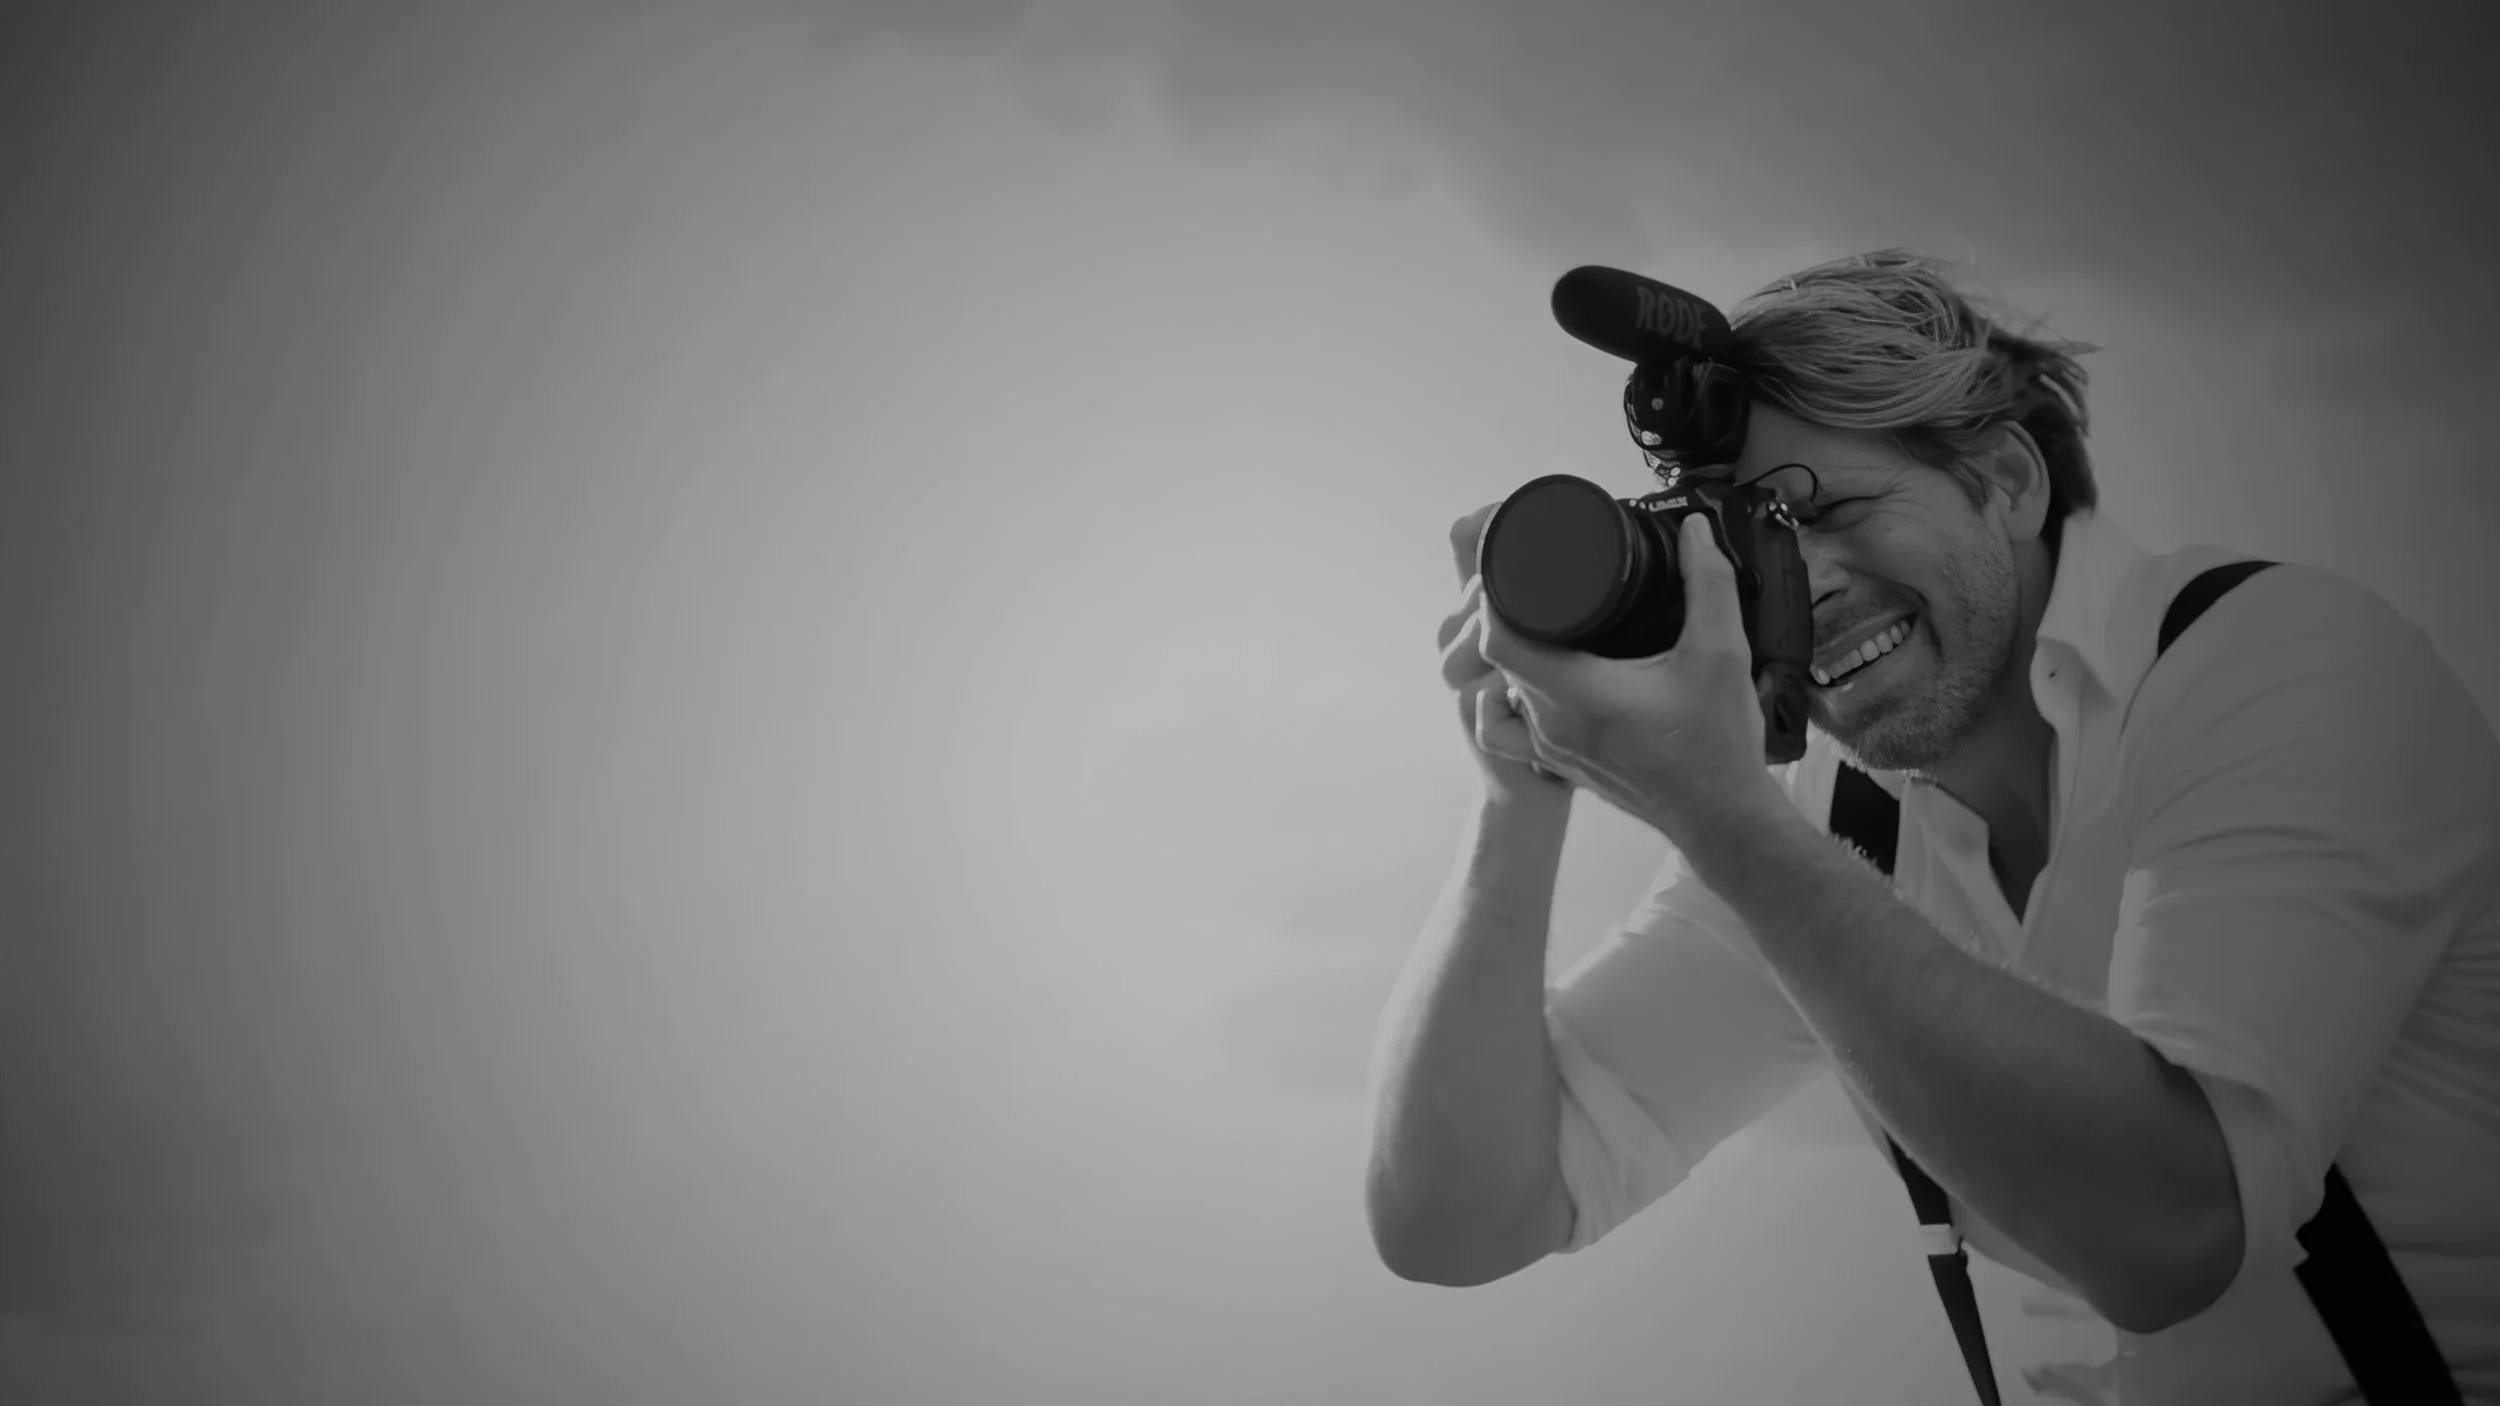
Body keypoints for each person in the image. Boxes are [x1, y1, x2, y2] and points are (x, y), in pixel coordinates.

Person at [1363, 250, 2500, 1404]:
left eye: (1830, 510)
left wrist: (1718, 814)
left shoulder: (2285, 663)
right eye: (1750, 552)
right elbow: (1460, 1221)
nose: (1800, 593)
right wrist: (1518, 798)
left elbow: (2174, 1234)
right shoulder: (1828, 826)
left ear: (2006, 477)